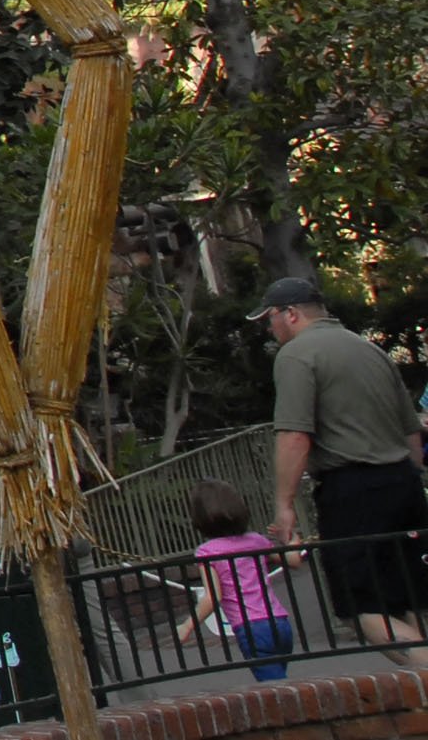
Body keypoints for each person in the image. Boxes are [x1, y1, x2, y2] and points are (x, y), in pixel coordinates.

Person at [252, 275, 428, 666]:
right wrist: (410, 477)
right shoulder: (370, 349)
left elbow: (295, 435)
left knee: (365, 607)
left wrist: (284, 506)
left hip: (352, 489)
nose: (270, 327)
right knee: (409, 597)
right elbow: (411, 431)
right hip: (403, 481)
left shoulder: (297, 355)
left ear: (291, 314)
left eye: (270, 318)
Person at [178, 479, 297, 682]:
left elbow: (213, 596)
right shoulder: (256, 541)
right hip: (280, 622)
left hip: (250, 627)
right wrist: (290, 536)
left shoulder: (207, 552)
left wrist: (187, 625)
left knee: (276, 690)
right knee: (279, 681)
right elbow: (293, 560)